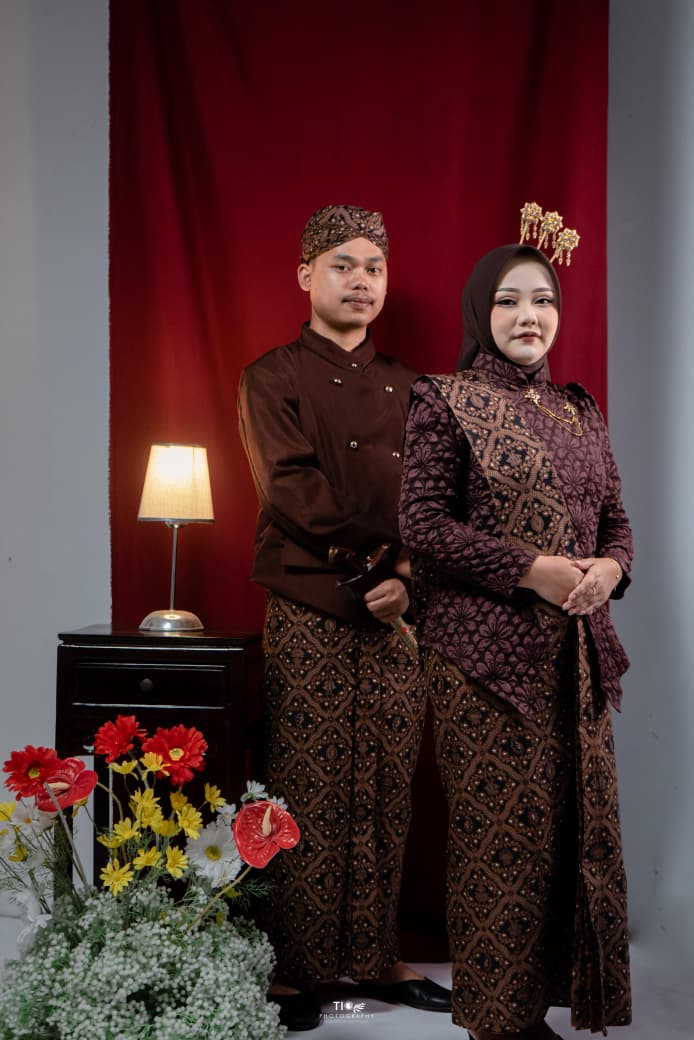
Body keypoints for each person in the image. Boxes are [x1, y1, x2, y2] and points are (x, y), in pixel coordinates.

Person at [398, 243, 633, 1040]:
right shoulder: (449, 399)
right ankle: (499, 1024)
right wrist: (530, 570)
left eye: (543, 300)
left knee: (571, 837)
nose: (529, 316)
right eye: (508, 301)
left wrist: (611, 566)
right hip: (484, 662)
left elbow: (617, 522)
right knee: (502, 843)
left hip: (576, 660)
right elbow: (422, 525)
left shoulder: (579, 410)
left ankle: (542, 1007)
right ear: (480, 312)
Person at [238, 204, 452, 1031]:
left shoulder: (415, 387)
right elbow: (292, 490)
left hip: (398, 613)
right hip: (312, 603)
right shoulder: (272, 376)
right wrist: (380, 565)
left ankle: (372, 959)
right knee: (308, 785)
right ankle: (293, 969)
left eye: (374, 267)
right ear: (306, 275)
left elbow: (437, 497)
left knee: (386, 786)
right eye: (342, 265)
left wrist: (408, 578)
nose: (361, 280)